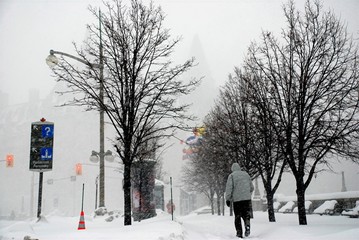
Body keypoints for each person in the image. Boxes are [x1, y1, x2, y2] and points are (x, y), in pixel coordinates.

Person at [225, 163, 254, 238]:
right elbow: (252, 188)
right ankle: (247, 225)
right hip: (247, 200)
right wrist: (246, 193)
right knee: (246, 215)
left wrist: (228, 199)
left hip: (237, 201)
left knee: (237, 217)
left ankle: (239, 233)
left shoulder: (231, 176)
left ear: (232, 169)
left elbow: (229, 189)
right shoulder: (246, 174)